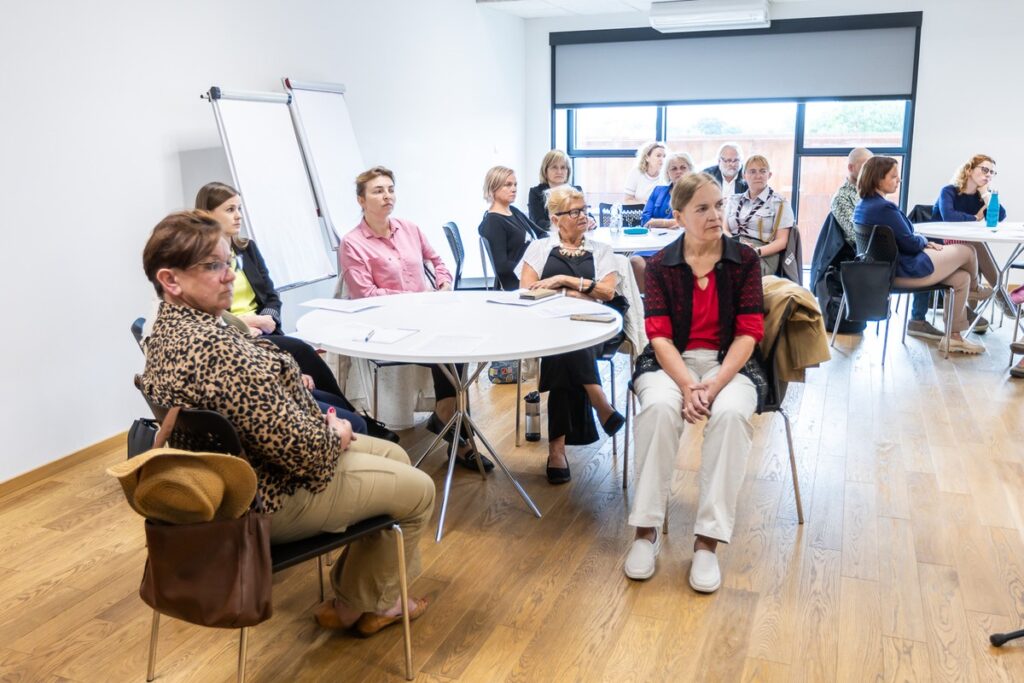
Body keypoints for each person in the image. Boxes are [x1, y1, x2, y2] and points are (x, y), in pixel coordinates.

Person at [139, 211, 435, 636]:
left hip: (235, 482)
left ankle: (358, 600)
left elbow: (257, 413)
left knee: (395, 454)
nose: (229, 276)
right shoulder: (217, 349)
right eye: (213, 266)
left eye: (229, 263)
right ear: (171, 280)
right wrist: (334, 431)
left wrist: (290, 385)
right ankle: (372, 605)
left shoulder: (167, 332)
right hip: (267, 499)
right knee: (420, 490)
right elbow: (307, 454)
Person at [623, 172, 763, 593]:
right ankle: (645, 532)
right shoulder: (661, 264)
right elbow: (659, 336)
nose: (715, 215)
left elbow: (749, 333)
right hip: (671, 363)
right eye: (702, 208)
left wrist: (713, 385)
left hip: (728, 364)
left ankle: (707, 541)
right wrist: (687, 386)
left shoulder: (745, 259)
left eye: (719, 205)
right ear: (679, 215)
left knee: (734, 413)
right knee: (659, 409)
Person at [194, 182, 397, 442]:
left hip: (265, 330)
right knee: (301, 350)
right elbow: (210, 315)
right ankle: (356, 423)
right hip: (238, 339)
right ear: (208, 215)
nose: (238, 215)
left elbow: (271, 295)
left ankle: (353, 421)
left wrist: (268, 319)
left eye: (239, 208)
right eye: (230, 209)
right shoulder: (202, 261)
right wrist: (248, 323)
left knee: (304, 356)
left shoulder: (246, 248)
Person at [340, 166, 493, 472]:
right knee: (448, 349)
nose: (387, 196)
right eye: (378, 191)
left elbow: (437, 262)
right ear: (361, 200)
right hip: (387, 325)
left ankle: (447, 419)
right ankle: (457, 435)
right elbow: (365, 294)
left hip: (427, 316)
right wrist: (413, 300)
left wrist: (443, 283)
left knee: (456, 343)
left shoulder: (409, 228)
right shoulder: (352, 242)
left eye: (390, 189)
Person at [516, 186, 627, 485]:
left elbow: (607, 292)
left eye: (584, 209)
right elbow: (527, 291)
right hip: (550, 324)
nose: (583, 216)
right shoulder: (539, 249)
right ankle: (599, 401)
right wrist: (574, 293)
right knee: (563, 344)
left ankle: (557, 452)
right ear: (555, 219)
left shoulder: (601, 250)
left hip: (596, 325)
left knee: (565, 347)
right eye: (575, 212)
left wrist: (562, 280)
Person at [853, 156, 990, 354]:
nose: (898, 180)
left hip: (887, 272)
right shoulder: (884, 208)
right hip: (905, 272)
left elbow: (904, 239)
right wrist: (925, 242)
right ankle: (977, 291)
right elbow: (910, 242)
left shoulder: (864, 205)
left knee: (961, 278)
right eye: (893, 176)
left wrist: (922, 241)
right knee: (968, 250)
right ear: (877, 179)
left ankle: (954, 337)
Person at [629, 151, 695, 293]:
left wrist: (660, 222)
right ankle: (646, 306)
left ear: (690, 169)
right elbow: (645, 221)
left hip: (681, 246)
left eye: (683, 167)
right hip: (652, 245)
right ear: (667, 173)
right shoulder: (658, 191)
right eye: (674, 168)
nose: (679, 172)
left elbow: (690, 222)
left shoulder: (696, 193)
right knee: (635, 261)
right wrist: (674, 223)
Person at [723, 155, 794, 277]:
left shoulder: (779, 203)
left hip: (762, 254)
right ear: (744, 175)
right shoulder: (734, 200)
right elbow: (724, 229)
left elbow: (782, 241)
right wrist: (735, 245)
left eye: (763, 171)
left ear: (769, 175)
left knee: (727, 269)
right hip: (733, 248)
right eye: (752, 171)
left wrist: (755, 252)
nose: (758, 175)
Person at [479, 166, 544, 291]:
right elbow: (502, 267)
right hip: (518, 283)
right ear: (493, 188)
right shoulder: (493, 222)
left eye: (515, 184)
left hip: (530, 273)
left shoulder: (513, 211)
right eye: (508, 185)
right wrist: (533, 270)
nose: (514, 189)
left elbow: (541, 233)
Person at [527, 150, 580, 232]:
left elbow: (585, 215)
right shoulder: (536, 193)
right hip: (548, 239)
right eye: (554, 167)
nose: (559, 172)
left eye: (563, 167)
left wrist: (590, 221)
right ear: (545, 171)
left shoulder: (576, 190)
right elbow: (538, 223)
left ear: (568, 171)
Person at [830, 147, 873, 247]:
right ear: (850, 168)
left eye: (872, 167)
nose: (870, 171)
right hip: (860, 254)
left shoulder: (872, 193)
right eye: (865, 166)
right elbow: (857, 236)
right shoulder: (841, 198)